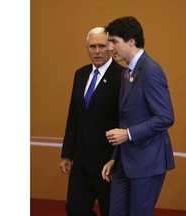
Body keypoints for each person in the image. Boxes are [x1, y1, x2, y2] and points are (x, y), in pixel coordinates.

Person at [101, 16, 175, 216]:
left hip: (147, 162)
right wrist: (115, 158)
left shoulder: (150, 70)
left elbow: (166, 116)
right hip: (125, 162)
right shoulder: (128, 72)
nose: (109, 47)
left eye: (114, 41)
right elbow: (126, 120)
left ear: (131, 41)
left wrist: (128, 134)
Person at [59, 27, 124, 216]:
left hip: (108, 164)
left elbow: (124, 120)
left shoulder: (122, 76)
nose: (97, 51)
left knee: (110, 212)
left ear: (111, 47)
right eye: (92, 46)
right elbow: (74, 116)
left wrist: (116, 158)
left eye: (102, 46)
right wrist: (66, 154)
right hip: (81, 161)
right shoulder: (80, 74)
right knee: (74, 208)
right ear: (87, 48)